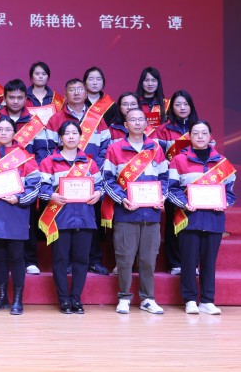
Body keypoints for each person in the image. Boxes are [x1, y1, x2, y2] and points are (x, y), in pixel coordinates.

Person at [102, 108, 170, 315]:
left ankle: (148, 299)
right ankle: (124, 297)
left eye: (141, 119)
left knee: (148, 259)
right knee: (125, 258)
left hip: (151, 213)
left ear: (146, 124)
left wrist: (162, 197)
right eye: (133, 119)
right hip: (127, 212)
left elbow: (165, 178)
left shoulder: (155, 148)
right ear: (126, 124)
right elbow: (107, 180)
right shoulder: (115, 149)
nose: (138, 123)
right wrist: (121, 198)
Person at [168, 120, 237, 314]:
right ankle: (190, 299)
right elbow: (171, 188)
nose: (200, 136)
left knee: (209, 262)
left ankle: (207, 300)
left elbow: (230, 193)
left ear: (210, 136)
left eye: (204, 133)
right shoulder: (179, 160)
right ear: (189, 136)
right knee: (188, 261)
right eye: (196, 133)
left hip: (214, 219)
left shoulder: (222, 162)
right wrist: (184, 203)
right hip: (189, 218)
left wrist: (224, 203)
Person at [45, 77, 112, 275]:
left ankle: (93, 260)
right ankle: (65, 262)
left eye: (80, 89)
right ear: (65, 94)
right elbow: (48, 148)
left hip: (90, 177)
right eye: (72, 90)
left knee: (90, 220)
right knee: (64, 223)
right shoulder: (56, 119)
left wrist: (91, 169)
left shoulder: (97, 118)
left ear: (86, 93)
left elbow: (106, 147)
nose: (76, 93)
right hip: (62, 178)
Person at [37, 120, 105, 314]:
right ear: (60, 137)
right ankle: (64, 300)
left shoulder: (89, 163)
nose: (71, 136)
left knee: (81, 261)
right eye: (67, 133)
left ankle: (76, 298)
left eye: (75, 133)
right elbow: (41, 187)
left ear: (80, 136)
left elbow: (100, 186)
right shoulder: (49, 162)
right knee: (60, 261)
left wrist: (98, 193)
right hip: (59, 218)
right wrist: (51, 195)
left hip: (85, 218)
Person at [0, 80, 49, 275]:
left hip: (25, 176)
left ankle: (29, 260)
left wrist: (32, 173)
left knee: (26, 221)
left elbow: (41, 151)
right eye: (11, 97)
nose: (15, 101)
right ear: (4, 98)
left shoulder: (34, 122)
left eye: (20, 97)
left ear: (26, 98)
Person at [0, 116, 42, 315]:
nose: (4, 133)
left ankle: (17, 299)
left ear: (14, 133)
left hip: (16, 212)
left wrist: (19, 198)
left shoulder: (25, 157)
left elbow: (35, 186)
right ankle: (1, 297)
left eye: (8, 129)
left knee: (16, 257)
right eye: (0, 129)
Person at [154, 89, 201, 275]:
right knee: (173, 222)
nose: (182, 108)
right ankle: (174, 263)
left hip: (194, 182)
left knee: (193, 224)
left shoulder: (199, 128)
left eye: (186, 104)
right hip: (172, 181)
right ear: (171, 107)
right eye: (178, 104)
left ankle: (192, 263)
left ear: (191, 107)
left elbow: (209, 152)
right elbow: (155, 154)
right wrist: (167, 162)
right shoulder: (163, 129)